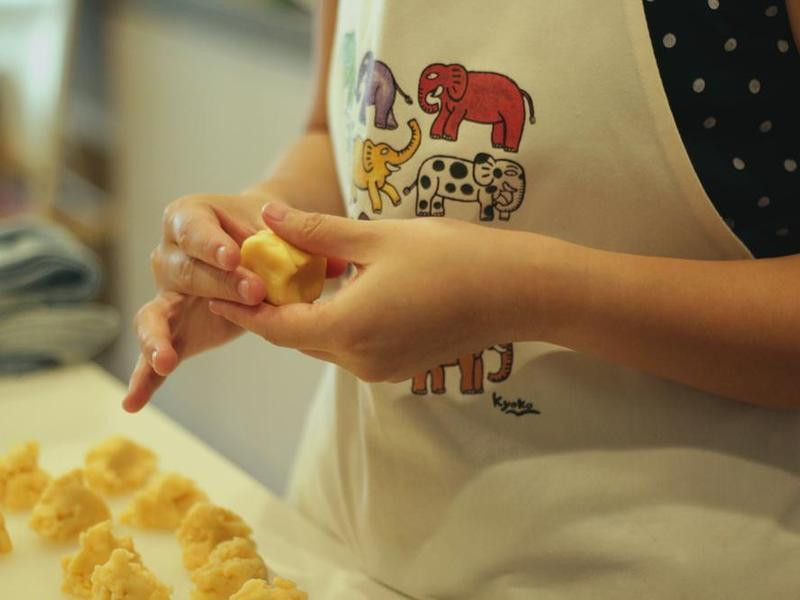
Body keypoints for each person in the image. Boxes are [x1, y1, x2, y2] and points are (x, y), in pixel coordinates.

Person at [125, 1, 800, 597]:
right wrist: (254, 232)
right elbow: (337, 135)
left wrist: (529, 293)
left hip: (670, 568)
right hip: (345, 546)